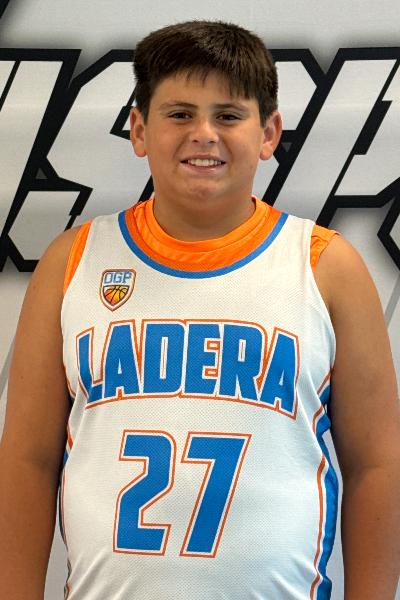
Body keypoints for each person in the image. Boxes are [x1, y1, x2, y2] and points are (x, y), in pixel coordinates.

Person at [1, 20, 400, 600]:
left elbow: (377, 467)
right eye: (180, 114)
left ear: (269, 133)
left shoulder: (325, 266)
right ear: (140, 130)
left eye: (229, 115)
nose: (204, 134)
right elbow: (27, 462)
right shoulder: (75, 260)